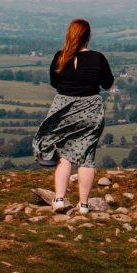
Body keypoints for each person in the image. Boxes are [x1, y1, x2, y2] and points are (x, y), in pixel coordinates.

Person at [31, 18, 114, 214]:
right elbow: (107, 83)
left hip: (63, 109)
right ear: (88, 37)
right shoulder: (98, 58)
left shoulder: (61, 57)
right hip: (91, 109)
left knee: (63, 153)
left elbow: (55, 83)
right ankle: (84, 205)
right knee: (87, 156)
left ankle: (59, 199)